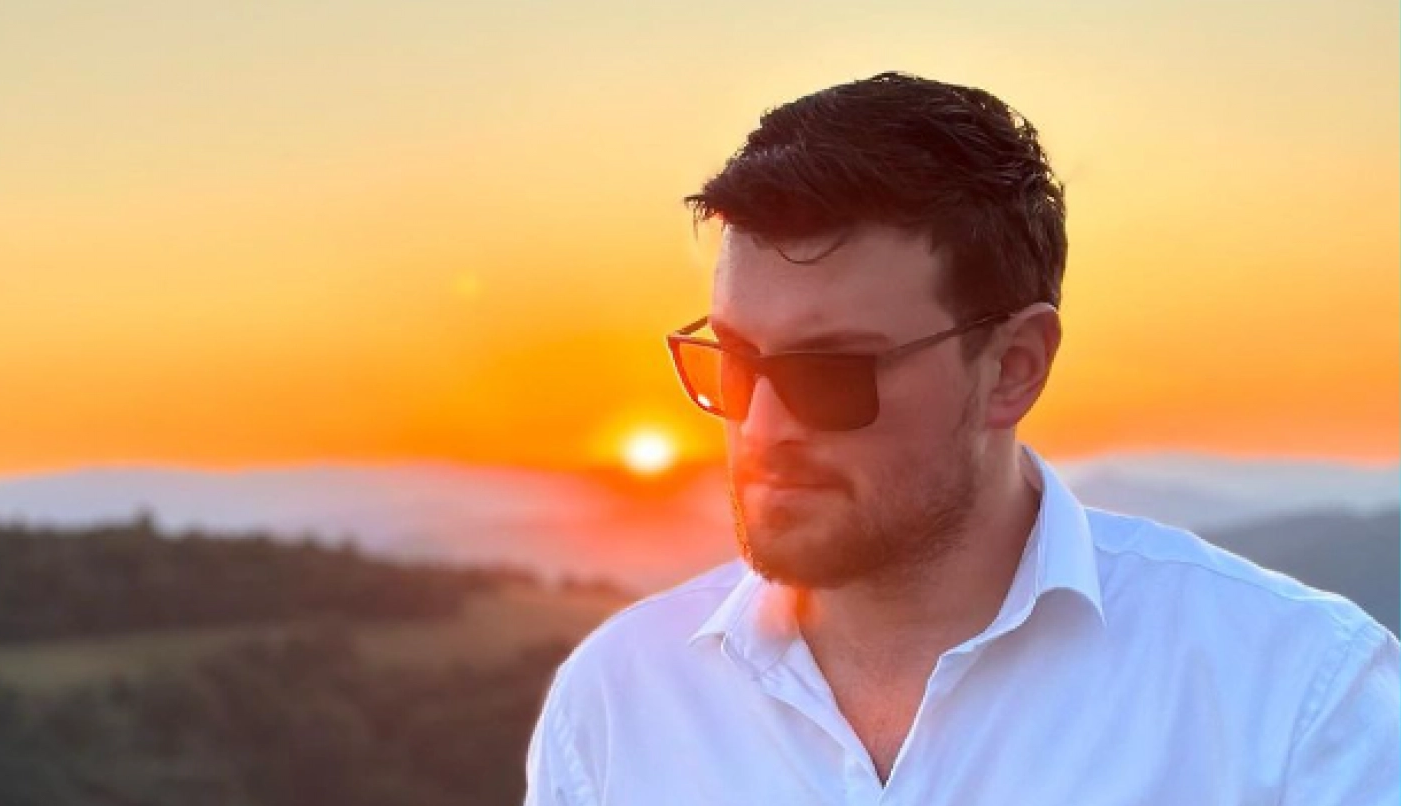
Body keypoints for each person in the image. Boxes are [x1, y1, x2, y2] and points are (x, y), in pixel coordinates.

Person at [522, 72, 1399, 805]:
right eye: (737, 362)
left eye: (832, 373)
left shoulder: (1294, 699)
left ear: (1014, 367)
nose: (763, 426)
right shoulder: (618, 705)